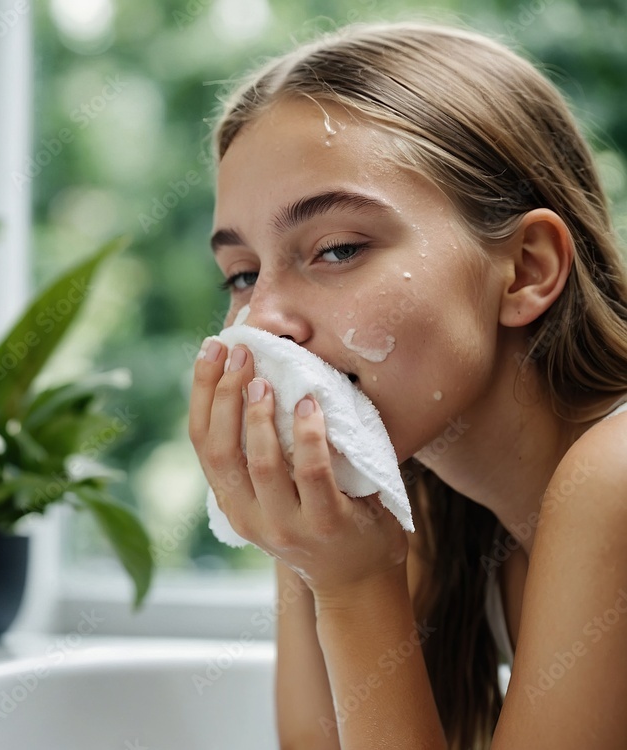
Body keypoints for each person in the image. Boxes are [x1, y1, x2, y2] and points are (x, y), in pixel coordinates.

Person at [188, 21, 627, 750]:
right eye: (242, 273)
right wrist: (310, 548)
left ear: (526, 269)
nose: (261, 321)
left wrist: (353, 586)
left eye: (335, 249)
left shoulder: (614, 480)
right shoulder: (423, 505)